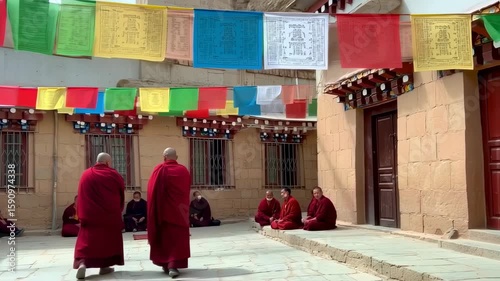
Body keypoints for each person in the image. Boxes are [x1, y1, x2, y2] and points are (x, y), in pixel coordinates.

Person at [73, 153, 125, 280]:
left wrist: (81, 214)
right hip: (109, 216)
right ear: (107, 162)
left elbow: (81, 196)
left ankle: (82, 264)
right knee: (107, 242)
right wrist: (118, 210)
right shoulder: (113, 175)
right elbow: (120, 194)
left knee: (87, 242)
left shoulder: (86, 174)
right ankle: (105, 266)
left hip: (90, 216)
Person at [147, 147, 191, 278]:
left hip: (162, 214)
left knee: (165, 239)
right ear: (176, 157)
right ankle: (173, 265)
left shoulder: (158, 170)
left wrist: (154, 211)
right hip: (179, 213)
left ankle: (166, 264)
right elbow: (185, 191)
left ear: (164, 157)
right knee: (177, 240)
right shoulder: (183, 171)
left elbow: (151, 192)